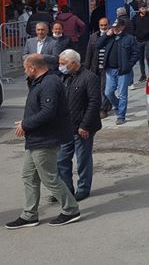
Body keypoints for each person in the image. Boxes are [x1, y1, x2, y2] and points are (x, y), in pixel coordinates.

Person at [6, 54, 80, 229]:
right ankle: (29, 215)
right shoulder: (39, 81)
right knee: (28, 175)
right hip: (35, 139)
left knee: (49, 178)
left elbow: (49, 112)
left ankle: (71, 209)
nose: (24, 71)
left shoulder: (49, 83)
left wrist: (26, 124)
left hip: (46, 139)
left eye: (25, 68)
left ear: (33, 68)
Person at [56, 50, 102, 202]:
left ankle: (83, 189)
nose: (60, 66)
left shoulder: (89, 78)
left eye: (63, 63)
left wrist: (85, 125)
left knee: (83, 160)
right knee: (61, 159)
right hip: (65, 128)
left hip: (83, 129)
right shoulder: (64, 78)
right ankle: (66, 189)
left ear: (74, 63)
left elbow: (94, 103)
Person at [97, 17, 141, 125]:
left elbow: (136, 53)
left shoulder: (129, 38)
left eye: (117, 27)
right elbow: (98, 45)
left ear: (122, 27)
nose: (115, 29)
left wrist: (129, 65)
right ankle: (117, 105)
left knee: (122, 94)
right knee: (108, 92)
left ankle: (121, 115)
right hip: (110, 69)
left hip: (123, 70)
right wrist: (106, 35)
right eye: (113, 27)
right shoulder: (109, 37)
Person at [84, 17, 112, 119]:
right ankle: (106, 105)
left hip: (107, 67)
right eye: (101, 25)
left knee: (105, 88)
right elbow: (89, 53)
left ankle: (103, 108)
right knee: (97, 88)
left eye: (105, 25)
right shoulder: (93, 37)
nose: (103, 27)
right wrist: (86, 68)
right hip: (95, 67)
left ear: (108, 25)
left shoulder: (112, 36)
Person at [132, 3, 149, 84]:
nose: (144, 10)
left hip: (148, 39)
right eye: (142, 8)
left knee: (148, 56)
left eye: (145, 8)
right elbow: (132, 27)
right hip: (139, 40)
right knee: (140, 58)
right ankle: (143, 75)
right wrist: (135, 33)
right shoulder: (135, 17)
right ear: (139, 9)